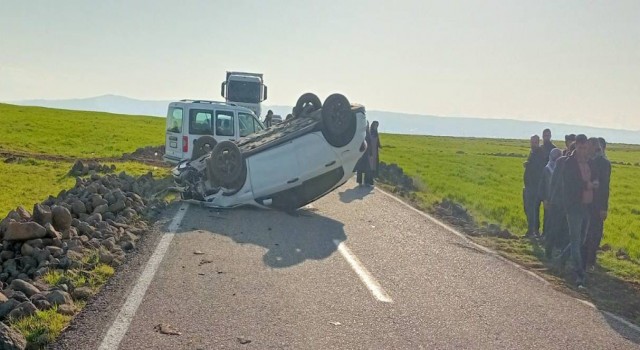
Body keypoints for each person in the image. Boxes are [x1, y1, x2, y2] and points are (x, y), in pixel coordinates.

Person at [559, 134, 597, 288]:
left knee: (581, 239)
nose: (583, 150)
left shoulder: (590, 163)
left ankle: (562, 259)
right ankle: (579, 274)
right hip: (574, 206)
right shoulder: (569, 163)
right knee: (576, 241)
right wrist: (587, 186)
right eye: (580, 147)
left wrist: (595, 183)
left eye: (585, 147)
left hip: (587, 205)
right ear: (576, 147)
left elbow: (595, 177)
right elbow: (570, 185)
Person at [583, 137, 611, 270]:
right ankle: (583, 259)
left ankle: (590, 261)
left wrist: (603, 208)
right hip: (584, 201)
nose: (586, 149)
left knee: (594, 232)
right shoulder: (586, 160)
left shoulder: (603, 163)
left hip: (597, 204)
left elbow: (604, 186)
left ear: (594, 147)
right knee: (584, 231)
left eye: (589, 146)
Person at [523, 135, 546, 238]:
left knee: (532, 209)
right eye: (531, 142)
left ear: (538, 142)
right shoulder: (532, 152)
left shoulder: (540, 153)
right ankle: (531, 230)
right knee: (528, 209)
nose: (532, 144)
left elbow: (538, 169)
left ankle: (533, 231)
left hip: (534, 186)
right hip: (529, 185)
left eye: (535, 142)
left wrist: (528, 165)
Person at [538, 148, 562, 239]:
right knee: (547, 218)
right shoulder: (547, 168)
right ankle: (545, 235)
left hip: (558, 200)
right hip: (548, 198)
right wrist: (544, 199)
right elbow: (543, 185)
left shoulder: (562, 168)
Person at [355, 122, 372, 187]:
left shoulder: (368, 133)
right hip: (361, 152)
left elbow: (370, 143)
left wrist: (370, 152)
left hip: (366, 153)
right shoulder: (360, 133)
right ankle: (360, 182)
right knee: (360, 168)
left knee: (367, 168)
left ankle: (367, 181)